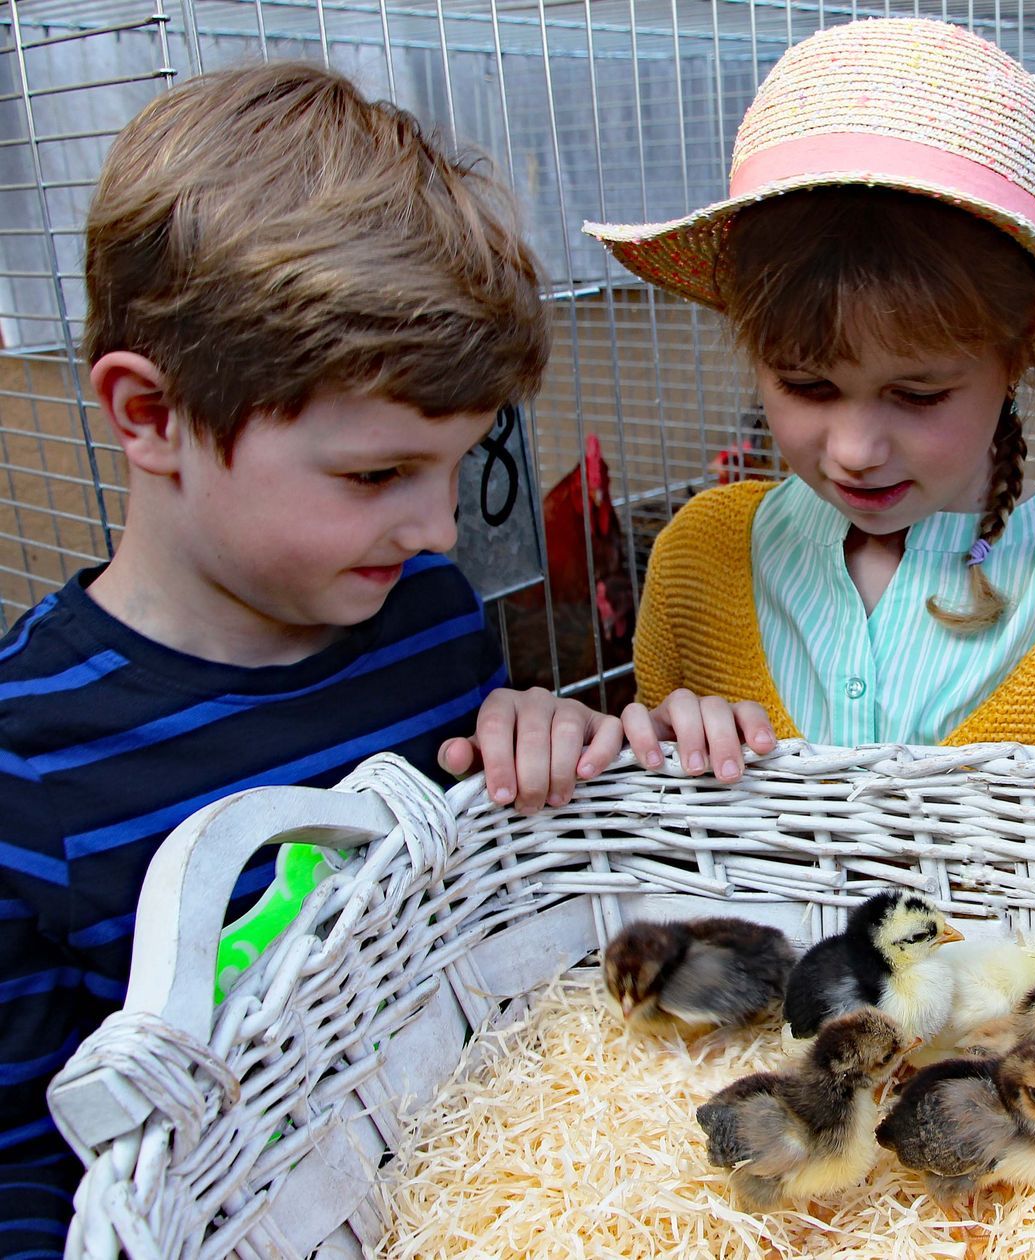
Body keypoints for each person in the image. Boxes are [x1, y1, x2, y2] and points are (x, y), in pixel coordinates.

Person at [0, 63, 618, 1256]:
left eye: (457, 466)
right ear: (151, 416)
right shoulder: (31, 765)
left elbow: (482, 896)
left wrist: (542, 747)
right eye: (376, 475)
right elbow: (22, 1166)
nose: (439, 529)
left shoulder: (428, 618)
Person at [584, 19, 1035, 774]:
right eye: (807, 385)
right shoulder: (699, 563)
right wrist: (663, 748)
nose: (855, 451)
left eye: (917, 394)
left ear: (1016, 354)